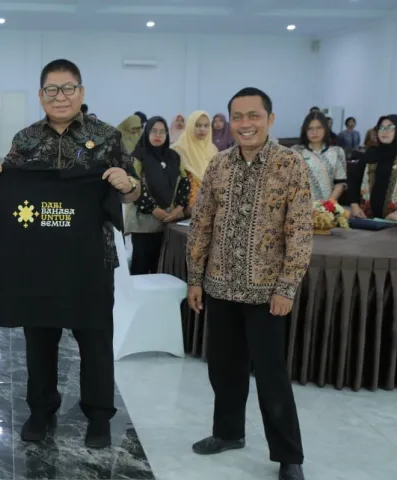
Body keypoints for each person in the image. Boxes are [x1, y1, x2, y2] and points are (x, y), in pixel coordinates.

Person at [0, 59, 146, 449]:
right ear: (41, 96)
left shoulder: (106, 137)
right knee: (39, 338)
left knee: (95, 338)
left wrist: (128, 184)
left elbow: (136, 192)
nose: (60, 97)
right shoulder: (25, 140)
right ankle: (41, 410)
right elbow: (8, 188)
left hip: (93, 258)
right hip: (38, 259)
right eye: (52, 90)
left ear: (81, 92)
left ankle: (99, 416)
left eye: (68, 88)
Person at [186, 87, 311, 480]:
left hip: (266, 294)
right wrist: (195, 279)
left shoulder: (290, 164)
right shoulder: (218, 164)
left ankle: (289, 455)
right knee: (224, 369)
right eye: (237, 116)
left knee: (272, 376)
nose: (245, 124)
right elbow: (201, 224)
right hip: (219, 287)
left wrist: (286, 287)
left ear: (269, 119)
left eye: (253, 115)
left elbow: (300, 231)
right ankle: (228, 433)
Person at [124, 116, 190, 275]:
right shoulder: (137, 156)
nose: (158, 135)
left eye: (162, 132)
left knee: (162, 267)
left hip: (169, 220)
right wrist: (154, 209)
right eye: (153, 131)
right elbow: (133, 185)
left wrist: (179, 208)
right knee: (141, 267)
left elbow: (184, 181)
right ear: (146, 132)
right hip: (144, 223)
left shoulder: (174, 156)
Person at [348, 114, 397, 220]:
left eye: (390, 128)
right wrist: (354, 205)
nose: (385, 131)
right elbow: (354, 180)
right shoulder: (371, 154)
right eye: (381, 128)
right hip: (367, 220)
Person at [292, 111, 347, 202]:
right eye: (310, 128)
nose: (314, 132)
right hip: (301, 205)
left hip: (328, 206)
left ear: (325, 129)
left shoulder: (337, 152)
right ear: (305, 131)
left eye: (319, 128)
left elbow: (340, 182)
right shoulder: (296, 151)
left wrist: (328, 204)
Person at [171, 110, 218, 211]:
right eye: (197, 125)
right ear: (190, 126)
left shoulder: (213, 149)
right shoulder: (178, 148)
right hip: (185, 201)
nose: (202, 129)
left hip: (210, 200)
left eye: (206, 126)